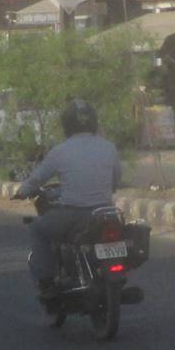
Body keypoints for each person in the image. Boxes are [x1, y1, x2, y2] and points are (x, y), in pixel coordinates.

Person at [13, 98, 120, 304]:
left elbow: (37, 178)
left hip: (74, 215)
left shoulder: (60, 151)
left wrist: (22, 191)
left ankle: (46, 284)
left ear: (67, 124)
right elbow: (116, 178)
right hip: (106, 213)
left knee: (37, 229)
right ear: (94, 121)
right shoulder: (109, 147)